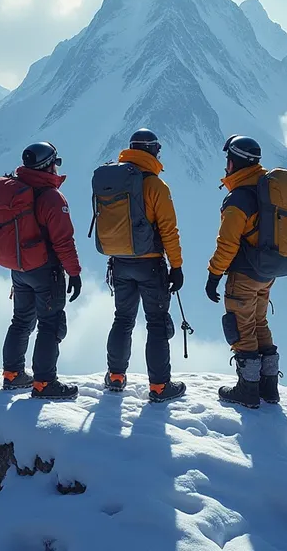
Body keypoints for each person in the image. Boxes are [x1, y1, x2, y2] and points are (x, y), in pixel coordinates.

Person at [104, 129, 186, 402]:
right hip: (150, 265)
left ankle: (116, 377)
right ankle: (160, 387)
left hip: (119, 262)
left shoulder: (115, 181)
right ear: (151, 151)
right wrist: (177, 266)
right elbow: (168, 231)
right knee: (157, 324)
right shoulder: (156, 186)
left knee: (122, 319)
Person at [2, 142, 82, 400]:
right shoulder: (51, 197)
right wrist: (75, 272)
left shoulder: (15, 190)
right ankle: (44, 383)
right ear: (49, 165)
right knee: (50, 324)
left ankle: (12, 375)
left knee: (21, 320)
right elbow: (63, 241)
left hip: (19, 267)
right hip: (45, 270)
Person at [205, 135, 280, 409]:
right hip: (266, 273)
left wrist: (214, 276)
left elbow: (227, 243)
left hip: (244, 275)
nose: (225, 167)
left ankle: (248, 390)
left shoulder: (238, 199)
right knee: (259, 322)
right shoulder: (266, 189)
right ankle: (269, 388)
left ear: (234, 162)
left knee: (241, 326)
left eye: (228, 162)